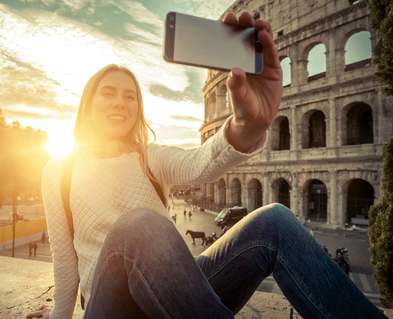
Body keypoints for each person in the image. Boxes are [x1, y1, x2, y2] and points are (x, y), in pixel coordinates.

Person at [27, 12, 387, 319]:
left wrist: (248, 124)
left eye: (130, 96)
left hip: (176, 292)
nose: (120, 102)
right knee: (140, 224)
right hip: (111, 305)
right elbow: (64, 260)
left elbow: (203, 163)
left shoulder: (149, 157)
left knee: (273, 220)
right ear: (88, 102)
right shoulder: (59, 171)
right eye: (108, 93)